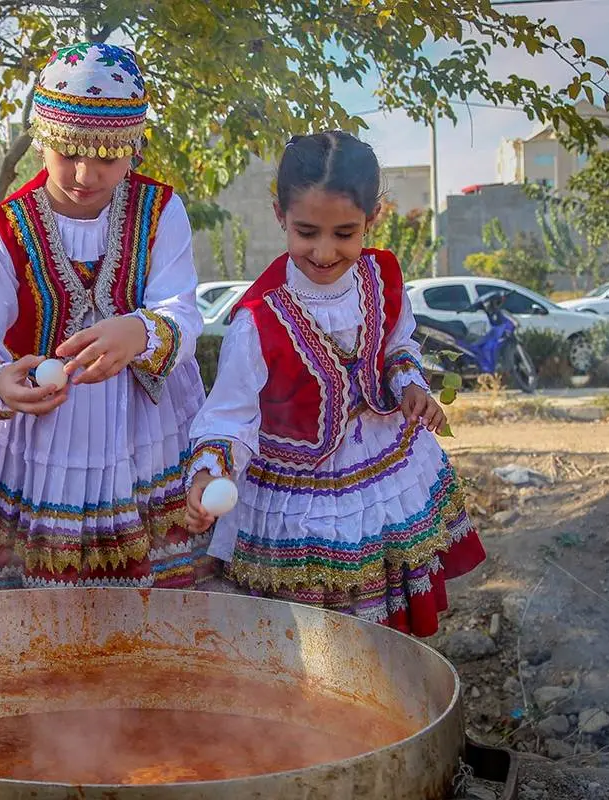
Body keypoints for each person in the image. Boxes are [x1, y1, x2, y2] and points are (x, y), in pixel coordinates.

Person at [185, 131, 485, 636]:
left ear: (373, 218)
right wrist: (210, 473)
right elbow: (230, 415)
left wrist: (410, 384)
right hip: (299, 497)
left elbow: (398, 344)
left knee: (385, 628)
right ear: (279, 216)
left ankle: (387, 699)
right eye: (306, 232)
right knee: (313, 633)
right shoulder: (257, 321)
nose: (324, 252)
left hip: (380, 469)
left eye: (344, 233)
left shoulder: (382, 277)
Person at [0, 42, 212, 592]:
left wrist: (139, 330)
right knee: (35, 611)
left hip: (143, 434)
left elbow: (182, 312)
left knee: (150, 601)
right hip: (37, 444)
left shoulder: (161, 212)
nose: (85, 173)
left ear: (133, 148)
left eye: (107, 157)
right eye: (68, 151)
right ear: (42, 138)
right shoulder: (4, 231)